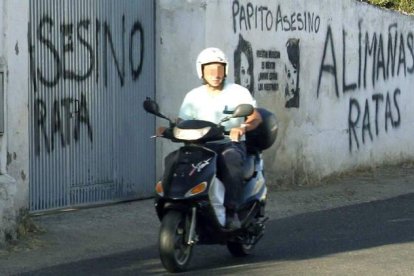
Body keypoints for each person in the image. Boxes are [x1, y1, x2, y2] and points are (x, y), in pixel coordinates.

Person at [161, 47, 262, 229]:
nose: (216, 74)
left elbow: (255, 117)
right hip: (199, 146)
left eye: (220, 69)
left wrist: (242, 127)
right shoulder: (193, 96)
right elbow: (183, 121)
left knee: (229, 159)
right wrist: (171, 129)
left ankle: (232, 212)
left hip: (228, 144)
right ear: (201, 71)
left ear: (226, 70)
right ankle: (175, 200)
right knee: (174, 159)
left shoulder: (238, 92)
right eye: (210, 69)